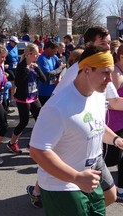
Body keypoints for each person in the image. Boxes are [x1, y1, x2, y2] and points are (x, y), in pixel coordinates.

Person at [30, 46, 123, 215]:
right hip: (61, 186)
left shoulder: (97, 96)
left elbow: (96, 127)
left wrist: (116, 140)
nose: (110, 79)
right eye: (104, 73)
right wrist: (76, 178)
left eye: (111, 72)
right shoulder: (57, 106)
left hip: (90, 179)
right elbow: (38, 150)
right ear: (86, 70)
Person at [8, 43, 46, 154]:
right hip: (23, 98)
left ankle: (32, 143)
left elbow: (43, 80)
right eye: (35, 54)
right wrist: (27, 69)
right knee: (24, 122)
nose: (37, 56)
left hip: (34, 97)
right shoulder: (21, 66)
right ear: (29, 54)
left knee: (40, 120)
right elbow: (18, 83)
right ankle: (12, 142)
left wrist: (38, 69)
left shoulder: (35, 65)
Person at [104, 44, 123, 201]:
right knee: (111, 159)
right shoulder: (116, 73)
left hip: (121, 120)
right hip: (115, 122)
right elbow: (112, 102)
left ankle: (120, 188)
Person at [37, 40, 66, 105]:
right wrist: (60, 68)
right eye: (55, 51)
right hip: (45, 92)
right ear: (49, 49)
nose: (56, 53)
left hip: (54, 91)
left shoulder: (54, 57)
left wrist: (59, 77)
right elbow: (48, 74)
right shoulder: (42, 58)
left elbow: (64, 67)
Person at [6, 36, 20, 106]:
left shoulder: (15, 48)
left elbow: (16, 57)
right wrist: (6, 64)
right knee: (13, 84)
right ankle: (11, 99)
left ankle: (12, 98)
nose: (15, 44)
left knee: (15, 84)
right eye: (14, 42)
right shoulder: (6, 48)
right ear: (11, 41)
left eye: (16, 43)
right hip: (9, 68)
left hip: (15, 67)